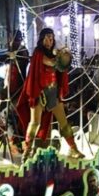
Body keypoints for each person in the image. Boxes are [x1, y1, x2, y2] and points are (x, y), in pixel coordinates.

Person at [22, 28, 84, 159]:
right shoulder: (38, 53)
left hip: (53, 92)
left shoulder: (53, 53)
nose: (49, 40)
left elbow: (61, 67)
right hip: (38, 92)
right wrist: (61, 56)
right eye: (47, 37)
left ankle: (73, 149)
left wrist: (64, 55)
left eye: (51, 38)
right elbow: (50, 62)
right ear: (42, 39)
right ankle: (27, 151)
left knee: (64, 123)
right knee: (35, 123)